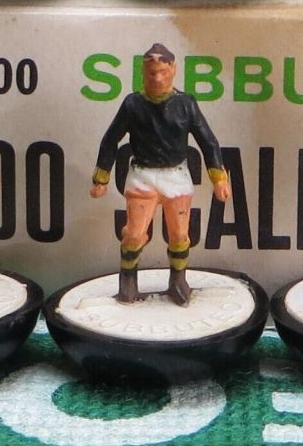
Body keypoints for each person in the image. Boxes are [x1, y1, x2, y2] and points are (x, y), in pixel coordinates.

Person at [90, 44, 231, 307]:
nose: (157, 79)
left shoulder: (186, 104)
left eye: (163, 73)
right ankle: (128, 279)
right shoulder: (133, 104)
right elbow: (110, 140)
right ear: (142, 72)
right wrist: (101, 177)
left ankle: (178, 279)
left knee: (179, 235)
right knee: (134, 234)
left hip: (176, 177)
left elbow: (208, 141)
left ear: (173, 70)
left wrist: (219, 178)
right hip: (143, 176)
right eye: (151, 73)